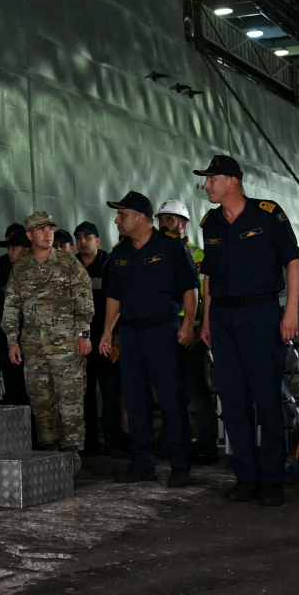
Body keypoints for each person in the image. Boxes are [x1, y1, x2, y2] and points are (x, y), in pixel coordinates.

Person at [195, 155, 299, 507]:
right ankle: (246, 476)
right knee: (234, 399)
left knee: (266, 398)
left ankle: (272, 478)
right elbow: (209, 275)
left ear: (232, 182)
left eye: (211, 179)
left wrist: (289, 312)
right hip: (224, 318)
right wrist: (208, 319)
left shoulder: (269, 214)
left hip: (261, 314)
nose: (206, 185)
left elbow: (293, 260)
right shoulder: (210, 222)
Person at [99, 191, 199, 487]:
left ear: (140, 217)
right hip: (130, 335)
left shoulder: (171, 248)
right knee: (136, 400)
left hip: (164, 332)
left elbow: (189, 289)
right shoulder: (120, 253)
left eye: (122, 215)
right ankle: (142, 463)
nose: (117, 221)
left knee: (170, 399)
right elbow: (114, 296)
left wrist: (189, 324)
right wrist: (107, 331)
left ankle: (180, 464)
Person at [2, 211, 93, 477]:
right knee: (42, 401)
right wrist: (12, 341)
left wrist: (83, 334)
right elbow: (11, 306)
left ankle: (72, 454)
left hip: (66, 348)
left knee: (70, 401)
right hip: (33, 349)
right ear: (29, 235)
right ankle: (50, 452)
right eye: (40, 229)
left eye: (50, 228)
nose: (47, 233)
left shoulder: (69, 264)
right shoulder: (20, 270)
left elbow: (84, 301)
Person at [156, 199, 218, 464]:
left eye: (169, 221)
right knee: (170, 390)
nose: (164, 226)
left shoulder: (199, 256)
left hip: (192, 334)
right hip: (166, 332)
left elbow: (207, 297)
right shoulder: (158, 255)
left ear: (183, 224)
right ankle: (172, 441)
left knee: (196, 389)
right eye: (161, 221)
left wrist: (200, 329)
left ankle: (206, 444)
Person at [74, 221, 123, 457]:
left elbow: (118, 301)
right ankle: (89, 442)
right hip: (81, 341)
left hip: (105, 339)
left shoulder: (109, 264)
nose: (83, 241)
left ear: (97, 240)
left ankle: (113, 441)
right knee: (85, 393)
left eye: (87, 237)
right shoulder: (71, 266)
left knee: (111, 392)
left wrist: (113, 335)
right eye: (79, 237)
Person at [0, 223, 32, 407]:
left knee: (32, 391)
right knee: (9, 389)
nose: (10, 252)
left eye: (14, 248)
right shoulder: (2, 267)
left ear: (27, 249)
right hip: (8, 339)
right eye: (8, 247)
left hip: (32, 341)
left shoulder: (39, 269)